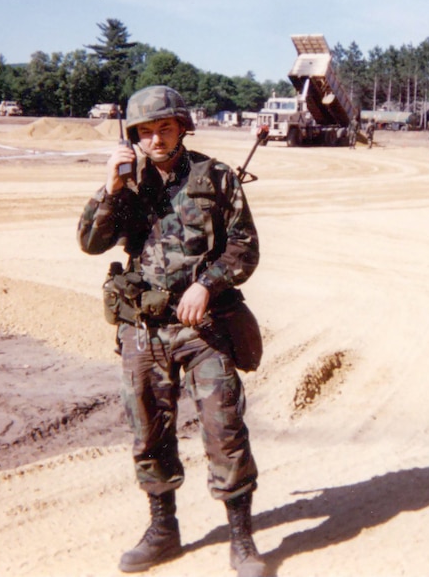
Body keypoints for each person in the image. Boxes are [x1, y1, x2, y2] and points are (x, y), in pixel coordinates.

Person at [77, 85, 265, 577]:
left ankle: (241, 538)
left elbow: (243, 248)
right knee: (148, 432)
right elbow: (90, 243)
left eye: (164, 128)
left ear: (182, 127)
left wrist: (206, 285)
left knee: (224, 428)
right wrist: (111, 189)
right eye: (145, 131)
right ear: (134, 136)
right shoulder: (128, 182)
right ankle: (163, 529)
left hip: (203, 327)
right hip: (144, 331)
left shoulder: (216, 177)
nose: (155, 139)